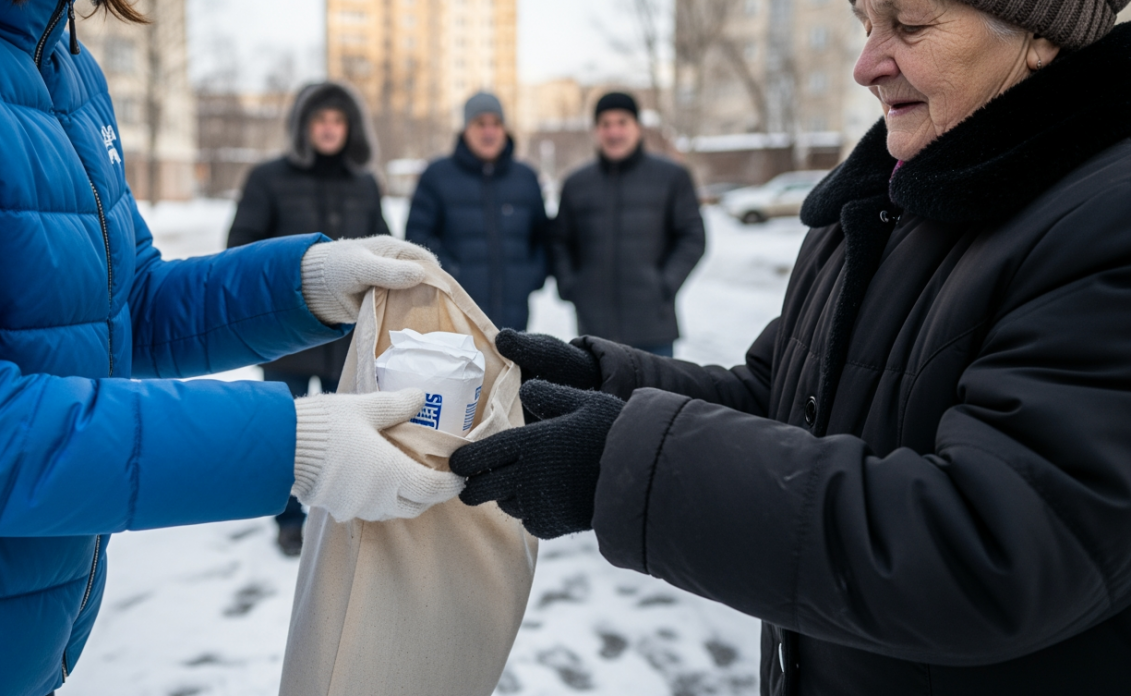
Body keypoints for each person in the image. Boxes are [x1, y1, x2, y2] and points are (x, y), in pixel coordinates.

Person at [450, 0, 1131, 694]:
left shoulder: (1108, 220)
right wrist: (605, 385)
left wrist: (620, 463)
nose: (866, 66)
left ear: (1045, 34)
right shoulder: (876, 204)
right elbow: (779, 401)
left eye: (913, 25)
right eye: (867, 23)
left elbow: (995, 547)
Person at [0, 2, 462, 695]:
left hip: (4, 645)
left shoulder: (67, 69)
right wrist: (289, 444)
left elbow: (126, 304)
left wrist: (305, 284)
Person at [227, 81, 389, 556]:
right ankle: (290, 521)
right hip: (286, 335)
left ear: (351, 128)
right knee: (288, 432)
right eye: (319, 120)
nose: (328, 129)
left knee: (350, 428)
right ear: (303, 127)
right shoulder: (268, 179)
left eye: (337, 120)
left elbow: (381, 243)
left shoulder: (365, 183)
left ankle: (340, 514)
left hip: (348, 337)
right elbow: (241, 249)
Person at [550, 91, 707, 357]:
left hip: (653, 330)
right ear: (595, 131)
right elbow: (559, 240)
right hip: (593, 333)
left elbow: (693, 236)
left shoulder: (671, 177)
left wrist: (664, 284)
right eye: (605, 124)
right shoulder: (576, 184)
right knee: (597, 399)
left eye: (622, 122)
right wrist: (571, 286)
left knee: (657, 399)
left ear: (637, 127)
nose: (614, 132)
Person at [406, 92, 550, 330]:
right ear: (465, 129)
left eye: (496, 123)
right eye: (480, 124)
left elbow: (542, 238)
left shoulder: (525, 178)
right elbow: (417, 239)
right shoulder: (437, 176)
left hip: (514, 323)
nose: (489, 132)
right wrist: (451, 276)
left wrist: (530, 276)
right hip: (454, 319)